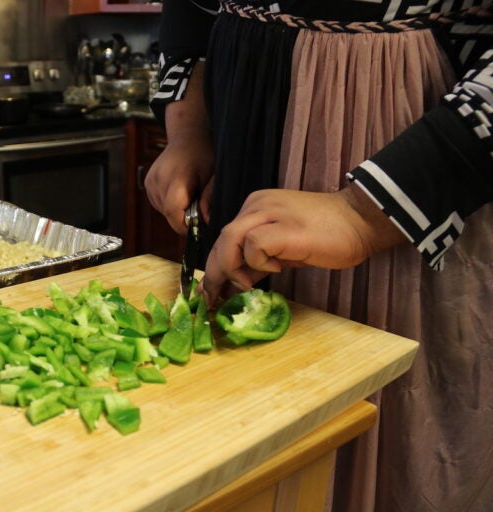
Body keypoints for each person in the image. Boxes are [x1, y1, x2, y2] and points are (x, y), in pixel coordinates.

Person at [146, 2, 492, 511]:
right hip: (238, 135)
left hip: (405, 163)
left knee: (379, 439)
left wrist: (362, 215)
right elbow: (190, 11)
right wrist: (189, 129)